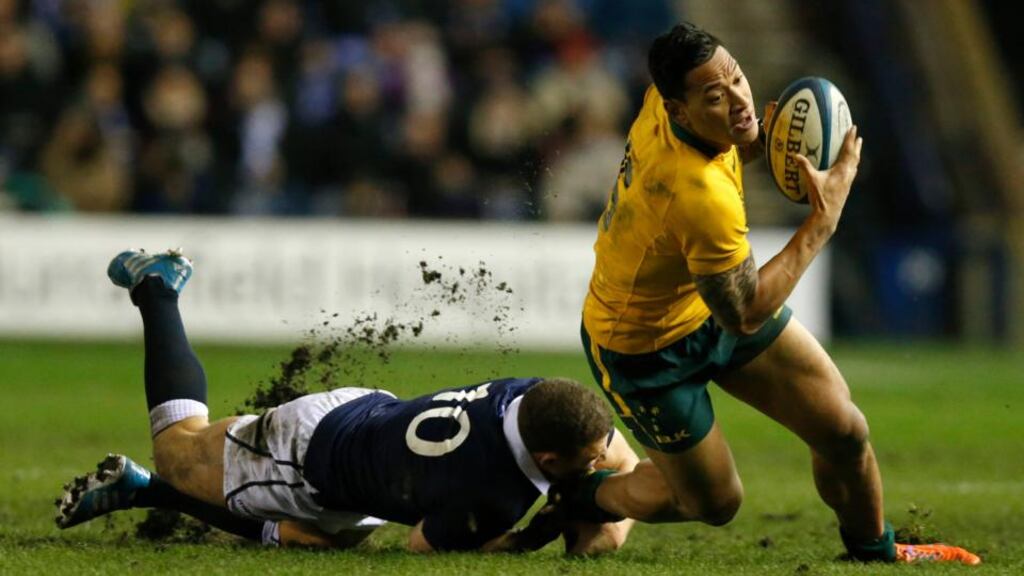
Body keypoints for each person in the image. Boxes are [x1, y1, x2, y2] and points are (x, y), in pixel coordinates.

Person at [568, 22, 980, 565]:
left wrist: (773, 135)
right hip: (642, 347)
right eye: (717, 96)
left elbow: (738, 144)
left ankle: (874, 553)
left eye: (736, 77)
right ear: (680, 111)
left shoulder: (665, 103)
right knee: (713, 502)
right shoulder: (697, 194)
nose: (740, 100)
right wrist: (822, 219)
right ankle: (580, 495)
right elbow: (744, 312)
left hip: (702, 303)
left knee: (843, 429)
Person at [56, 249, 636, 553]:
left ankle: (139, 492)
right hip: (308, 452)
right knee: (179, 453)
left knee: (314, 541)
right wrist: (525, 541)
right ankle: (156, 290)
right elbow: (424, 546)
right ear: (550, 459)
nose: (599, 459)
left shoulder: (534, 397)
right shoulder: (491, 498)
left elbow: (614, 456)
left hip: (371, 437)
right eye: (587, 459)